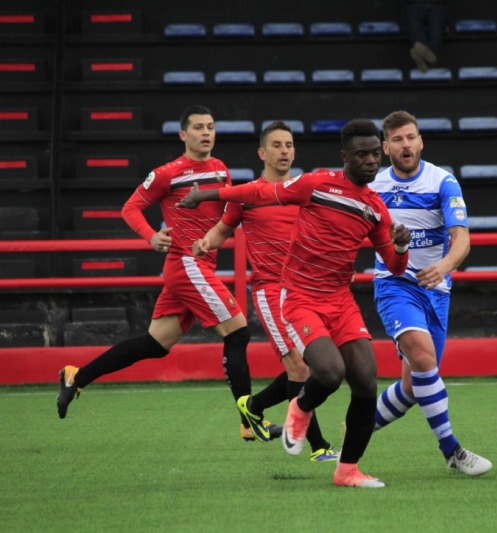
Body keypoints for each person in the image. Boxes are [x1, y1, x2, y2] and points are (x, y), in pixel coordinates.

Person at [177, 119, 412, 489]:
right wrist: (207, 196)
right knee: (330, 372)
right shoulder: (317, 184)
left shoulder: (376, 208)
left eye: (374, 153)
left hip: (341, 301)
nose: (370, 161)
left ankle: (347, 470)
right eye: (361, 154)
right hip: (300, 296)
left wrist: (400, 246)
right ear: (345, 156)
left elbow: (397, 268)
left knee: (366, 383)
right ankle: (300, 408)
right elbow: (257, 194)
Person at [55, 105, 281, 444]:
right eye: (199, 128)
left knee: (155, 344)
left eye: (211, 126)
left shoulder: (220, 169)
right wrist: (151, 236)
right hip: (187, 264)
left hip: (196, 267)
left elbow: (230, 208)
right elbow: (130, 207)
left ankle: (76, 377)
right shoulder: (167, 173)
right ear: (183, 135)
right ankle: (249, 421)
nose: (206, 133)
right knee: (237, 334)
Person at [192, 121, 338, 462]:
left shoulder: (304, 191)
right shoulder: (246, 196)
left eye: (289, 145)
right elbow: (221, 230)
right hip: (272, 291)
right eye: (277, 145)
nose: (284, 151)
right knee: (300, 370)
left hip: (306, 290)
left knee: (316, 367)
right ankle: (318, 446)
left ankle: (253, 406)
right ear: (263, 153)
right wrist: (205, 243)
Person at [370, 110, 492, 476]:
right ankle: (452, 451)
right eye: (397, 139)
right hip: (393, 285)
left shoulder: (443, 182)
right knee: (423, 359)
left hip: (436, 290)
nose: (405, 144)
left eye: (411, 137)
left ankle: (357, 430)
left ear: (420, 141)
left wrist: (444, 266)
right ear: (386, 147)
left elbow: (462, 240)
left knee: (411, 387)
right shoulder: (373, 187)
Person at [404, 0, 449, 72]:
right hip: (413, 4)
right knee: (413, 24)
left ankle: (421, 54)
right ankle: (431, 59)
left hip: (438, 4)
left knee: (437, 27)